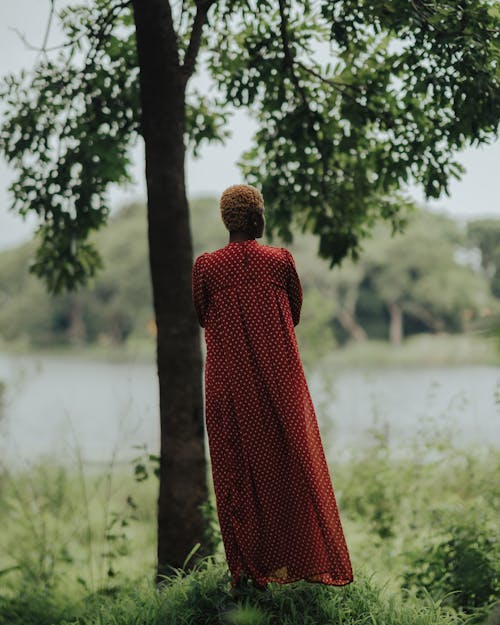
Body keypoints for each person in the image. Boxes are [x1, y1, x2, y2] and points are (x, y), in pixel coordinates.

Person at [191, 184, 354, 594]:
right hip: (278, 381)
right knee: (292, 462)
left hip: (227, 384)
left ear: (227, 220)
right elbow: (293, 314)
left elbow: (202, 316)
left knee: (235, 470)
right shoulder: (280, 261)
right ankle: (304, 562)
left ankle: (247, 572)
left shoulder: (207, 267)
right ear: (258, 217)